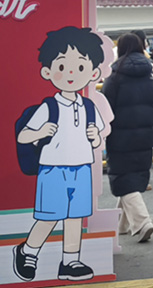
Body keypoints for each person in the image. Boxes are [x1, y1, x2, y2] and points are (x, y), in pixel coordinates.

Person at [14, 27, 107, 282]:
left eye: (80, 67)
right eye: (62, 66)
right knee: (49, 217)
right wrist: (40, 131)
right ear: (47, 71)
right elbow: (23, 136)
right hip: (53, 169)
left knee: (75, 217)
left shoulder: (89, 107)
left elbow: (98, 138)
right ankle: (28, 251)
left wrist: (95, 137)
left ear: (93, 72)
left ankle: (70, 261)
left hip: (81, 168)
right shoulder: (49, 107)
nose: (71, 74)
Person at [101, 33, 153, 243]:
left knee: (122, 179)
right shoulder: (152, 75)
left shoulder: (114, 76)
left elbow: (106, 111)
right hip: (145, 136)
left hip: (120, 137)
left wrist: (103, 135)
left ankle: (143, 223)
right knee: (132, 177)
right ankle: (122, 225)